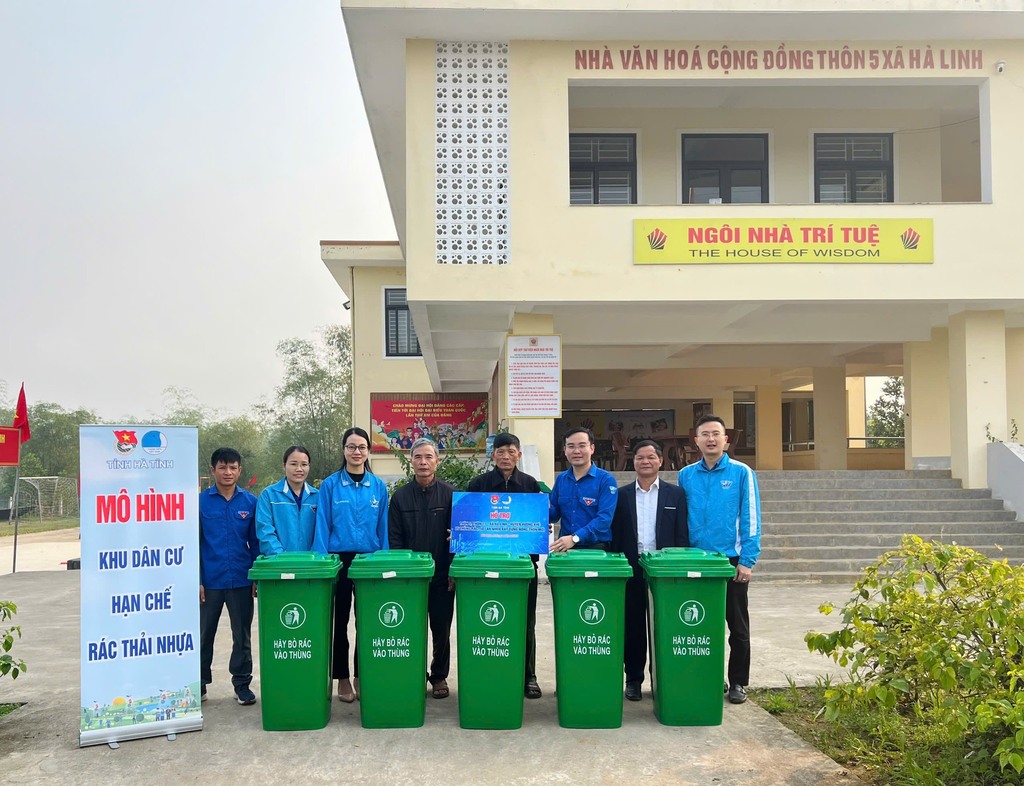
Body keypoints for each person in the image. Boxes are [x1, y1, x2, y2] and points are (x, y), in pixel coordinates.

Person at [678, 415, 761, 705]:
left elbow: (751, 518)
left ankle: (738, 681)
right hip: (695, 562)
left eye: (716, 434)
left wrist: (747, 560)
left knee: (737, 627)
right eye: (705, 434)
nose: (711, 439)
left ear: (725, 440)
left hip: (730, 561)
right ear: (696, 440)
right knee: (698, 624)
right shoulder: (686, 474)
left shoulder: (741, 472)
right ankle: (709, 677)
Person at [312, 427, 389, 703]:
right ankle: (342, 678)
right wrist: (322, 562)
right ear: (344, 450)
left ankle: (361, 675)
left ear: (368, 451)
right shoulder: (331, 485)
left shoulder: (378, 486)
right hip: (339, 560)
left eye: (362, 447)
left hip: (369, 561)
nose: (357, 452)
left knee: (367, 622)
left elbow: (383, 528)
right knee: (340, 621)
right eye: (351, 447)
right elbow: (322, 524)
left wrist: (383, 561)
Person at [467, 432, 545, 699]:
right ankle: (490, 672)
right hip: (485, 566)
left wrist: (539, 529)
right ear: (493, 455)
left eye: (511, 452)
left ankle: (529, 676)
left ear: (519, 455)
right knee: (490, 623)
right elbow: (470, 522)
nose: (506, 457)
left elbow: (535, 522)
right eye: (500, 452)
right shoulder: (478, 485)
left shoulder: (530, 484)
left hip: (522, 567)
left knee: (526, 621)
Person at [610, 439, 688, 702]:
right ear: (633, 462)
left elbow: (681, 535)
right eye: (640, 458)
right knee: (632, 626)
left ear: (660, 461)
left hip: (663, 570)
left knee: (663, 625)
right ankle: (633, 679)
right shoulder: (621, 495)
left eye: (651, 457)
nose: (645, 462)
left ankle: (661, 678)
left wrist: (677, 567)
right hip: (631, 567)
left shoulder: (675, 494)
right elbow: (615, 535)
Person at [388, 438, 455, 699]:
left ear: (437, 461)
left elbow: (459, 539)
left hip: (442, 577)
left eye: (428, 457)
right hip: (411, 579)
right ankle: (413, 674)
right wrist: (400, 574)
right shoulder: (400, 497)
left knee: (441, 630)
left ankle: (438, 676)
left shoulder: (450, 495)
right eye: (418, 457)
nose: (423, 462)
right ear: (411, 461)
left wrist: (453, 570)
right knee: (410, 629)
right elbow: (395, 539)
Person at [199, 447, 260, 706]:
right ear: (212, 470)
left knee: (242, 635)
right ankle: (199, 684)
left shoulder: (250, 502)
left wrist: (256, 576)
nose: (228, 472)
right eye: (222, 467)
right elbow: (193, 543)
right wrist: (197, 579)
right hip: (210, 581)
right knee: (204, 634)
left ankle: (242, 684)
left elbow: (255, 543)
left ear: (240, 470)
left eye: (233, 467)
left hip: (241, 580)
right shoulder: (200, 502)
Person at [549, 426, 617, 552]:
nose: (576, 451)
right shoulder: (561, 479)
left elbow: (604, 519)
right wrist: (538, 519)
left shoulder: (606, 480)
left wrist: (575, 538)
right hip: (565, 548)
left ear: (592, 448)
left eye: (582, 446)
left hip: (596, 549)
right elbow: (553, 514)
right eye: (571, 446)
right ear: (565, 450)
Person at [255, 445, 319, 555]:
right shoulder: (269, 495)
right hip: (278, 561)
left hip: (312, 562)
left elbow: (322, 531)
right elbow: (265, 531)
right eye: (293, 464)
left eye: (304, 464)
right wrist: (282, 558)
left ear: (309, 466)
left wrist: (313, 557)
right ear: (284, 466)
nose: (299, 469)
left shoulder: (317, 496)